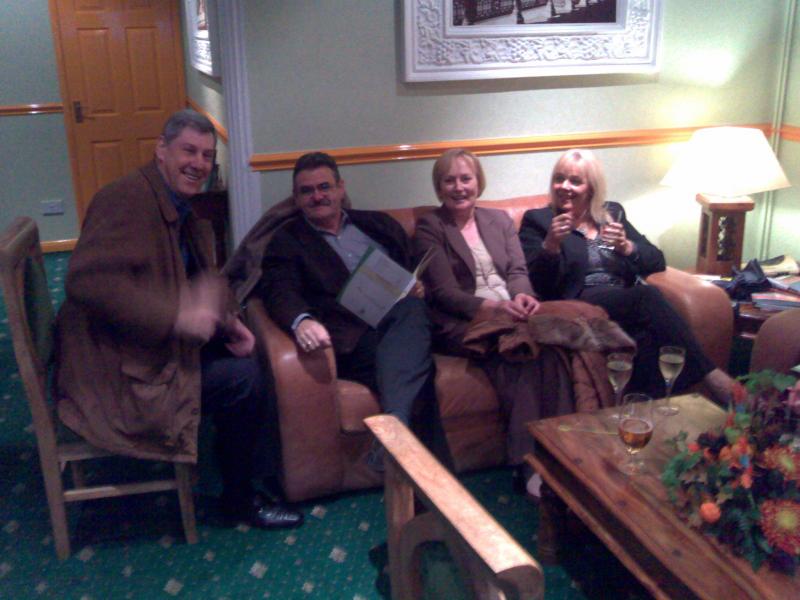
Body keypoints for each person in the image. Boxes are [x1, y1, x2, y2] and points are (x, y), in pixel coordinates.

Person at [55, 109, 303, 529]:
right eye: (189, 151)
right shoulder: (126, 199)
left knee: (246, 354)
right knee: (245, 380)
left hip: (143, 346)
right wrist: (177, 316)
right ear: (161, 150)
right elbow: (87, 282)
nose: (199, 164)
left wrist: (228, 322)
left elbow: (193, 278)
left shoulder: (172, 202)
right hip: (116, 372)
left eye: (207, 155)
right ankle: (240, 500)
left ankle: (244, 478)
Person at [257, 152, 452, 470]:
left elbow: (410, 268)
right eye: (307, 191)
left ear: (340, 188)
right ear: (297, 198)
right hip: (353, 338)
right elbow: (279, 289)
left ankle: (395, 435)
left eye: (324, 187)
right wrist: (301, 321)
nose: (317, 196)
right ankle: (437, 484)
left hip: (400, 321)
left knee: (411, 311)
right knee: (417, 372)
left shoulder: (378, 225)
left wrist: (417, 286)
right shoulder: (287, 241)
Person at [414, 149, 577, 495]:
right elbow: (444, 293)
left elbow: (517, 271)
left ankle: (562, 454)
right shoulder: (430, 226)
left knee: (553, 353)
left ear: (478, 182)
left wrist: (522, 296)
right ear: (439, 187)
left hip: (512, 312)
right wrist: (495, 308)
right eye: (449, 180)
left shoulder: (499, 220)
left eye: (466, 178)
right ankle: (527, 464)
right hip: (463, 320)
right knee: (519, 352)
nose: (459, 187)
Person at [518, 148, 734, 402]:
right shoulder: (539, 220)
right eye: (559, 178)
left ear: (591, 187)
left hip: (625, 301)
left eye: (575, 181)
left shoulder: (611, 214)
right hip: (581, 301)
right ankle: (713, 379)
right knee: (647, 296)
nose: (564, 186)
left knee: (647, 335)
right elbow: (538, 283)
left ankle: (644, 410)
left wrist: (627, 247)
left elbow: (656, 261)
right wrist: (551, 245)